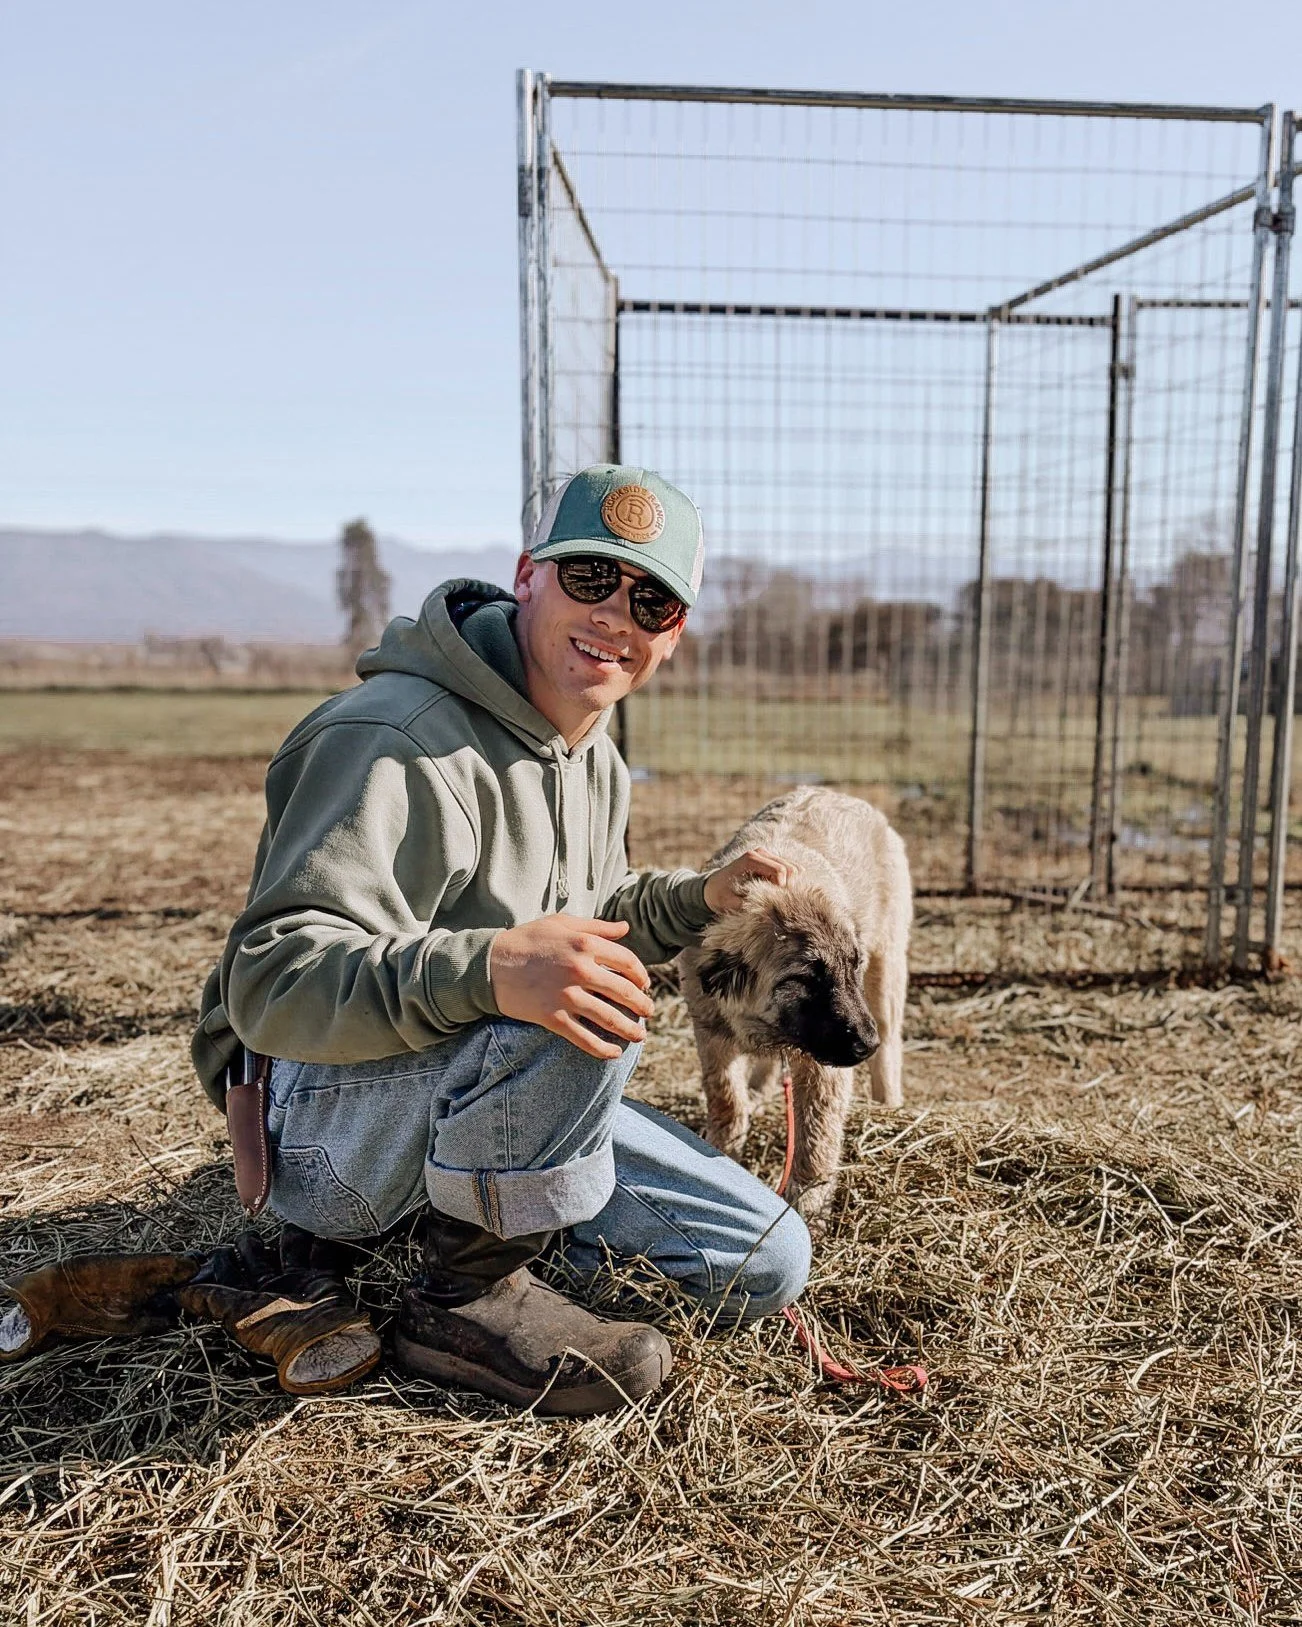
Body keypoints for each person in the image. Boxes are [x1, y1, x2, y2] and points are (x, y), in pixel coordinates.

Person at [191, 464, 811, 1415]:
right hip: (316, 1138)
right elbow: (271, 983)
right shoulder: (391, 737)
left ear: (673, 636)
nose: (615, 616)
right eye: (589, 579)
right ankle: (462, 1300)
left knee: (766, 1259)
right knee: (577, 991)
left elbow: (594, 909)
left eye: (649, 599)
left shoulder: (592, 752)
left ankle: (495, 1210)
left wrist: (697, 898)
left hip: (479, 1093)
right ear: (528, 575)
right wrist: (489, 969)